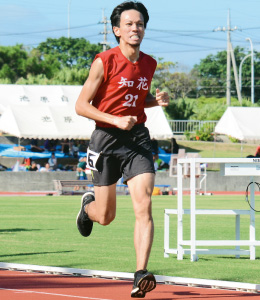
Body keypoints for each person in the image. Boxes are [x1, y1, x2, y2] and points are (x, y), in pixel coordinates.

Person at [75, 1, 169, 298]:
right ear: (116, 30)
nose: (135, 28)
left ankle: (140, 273)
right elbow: (81, 106)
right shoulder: (104, 61)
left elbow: (135, 101)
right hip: (105, 139)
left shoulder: (149, 63)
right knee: (106, 216)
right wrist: (114, 119)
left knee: (144, 205)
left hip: (137, 140)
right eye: (128, 24)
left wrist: (156, 101)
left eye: (139, 23)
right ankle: (87, 209)